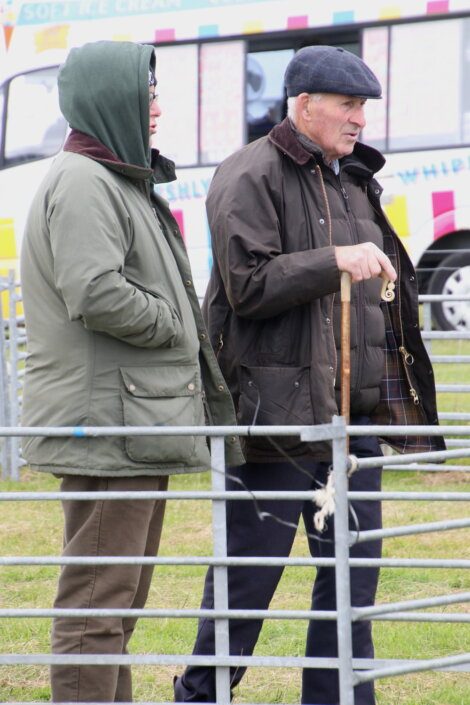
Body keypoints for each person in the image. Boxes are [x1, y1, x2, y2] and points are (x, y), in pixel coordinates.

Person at [173, 45, 444, 705]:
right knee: (247, 579)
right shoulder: (249, 174)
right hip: (273, 419)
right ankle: (199, 696)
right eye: (348, 105)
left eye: (363, 107)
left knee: (353, 583)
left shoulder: (354, 179)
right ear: (304, 105)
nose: (359, 119)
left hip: (350, 423)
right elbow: (246, 283)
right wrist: (334, 258)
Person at [20, 40, 243, 703]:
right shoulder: (85, 182)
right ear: (107, 100)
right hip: (109, 424)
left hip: (128, 419)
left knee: (113, 602)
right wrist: (173, 322)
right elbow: (95, 291)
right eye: (144, 97)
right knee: (97, 604)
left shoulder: (111, 176)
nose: (156, 109)